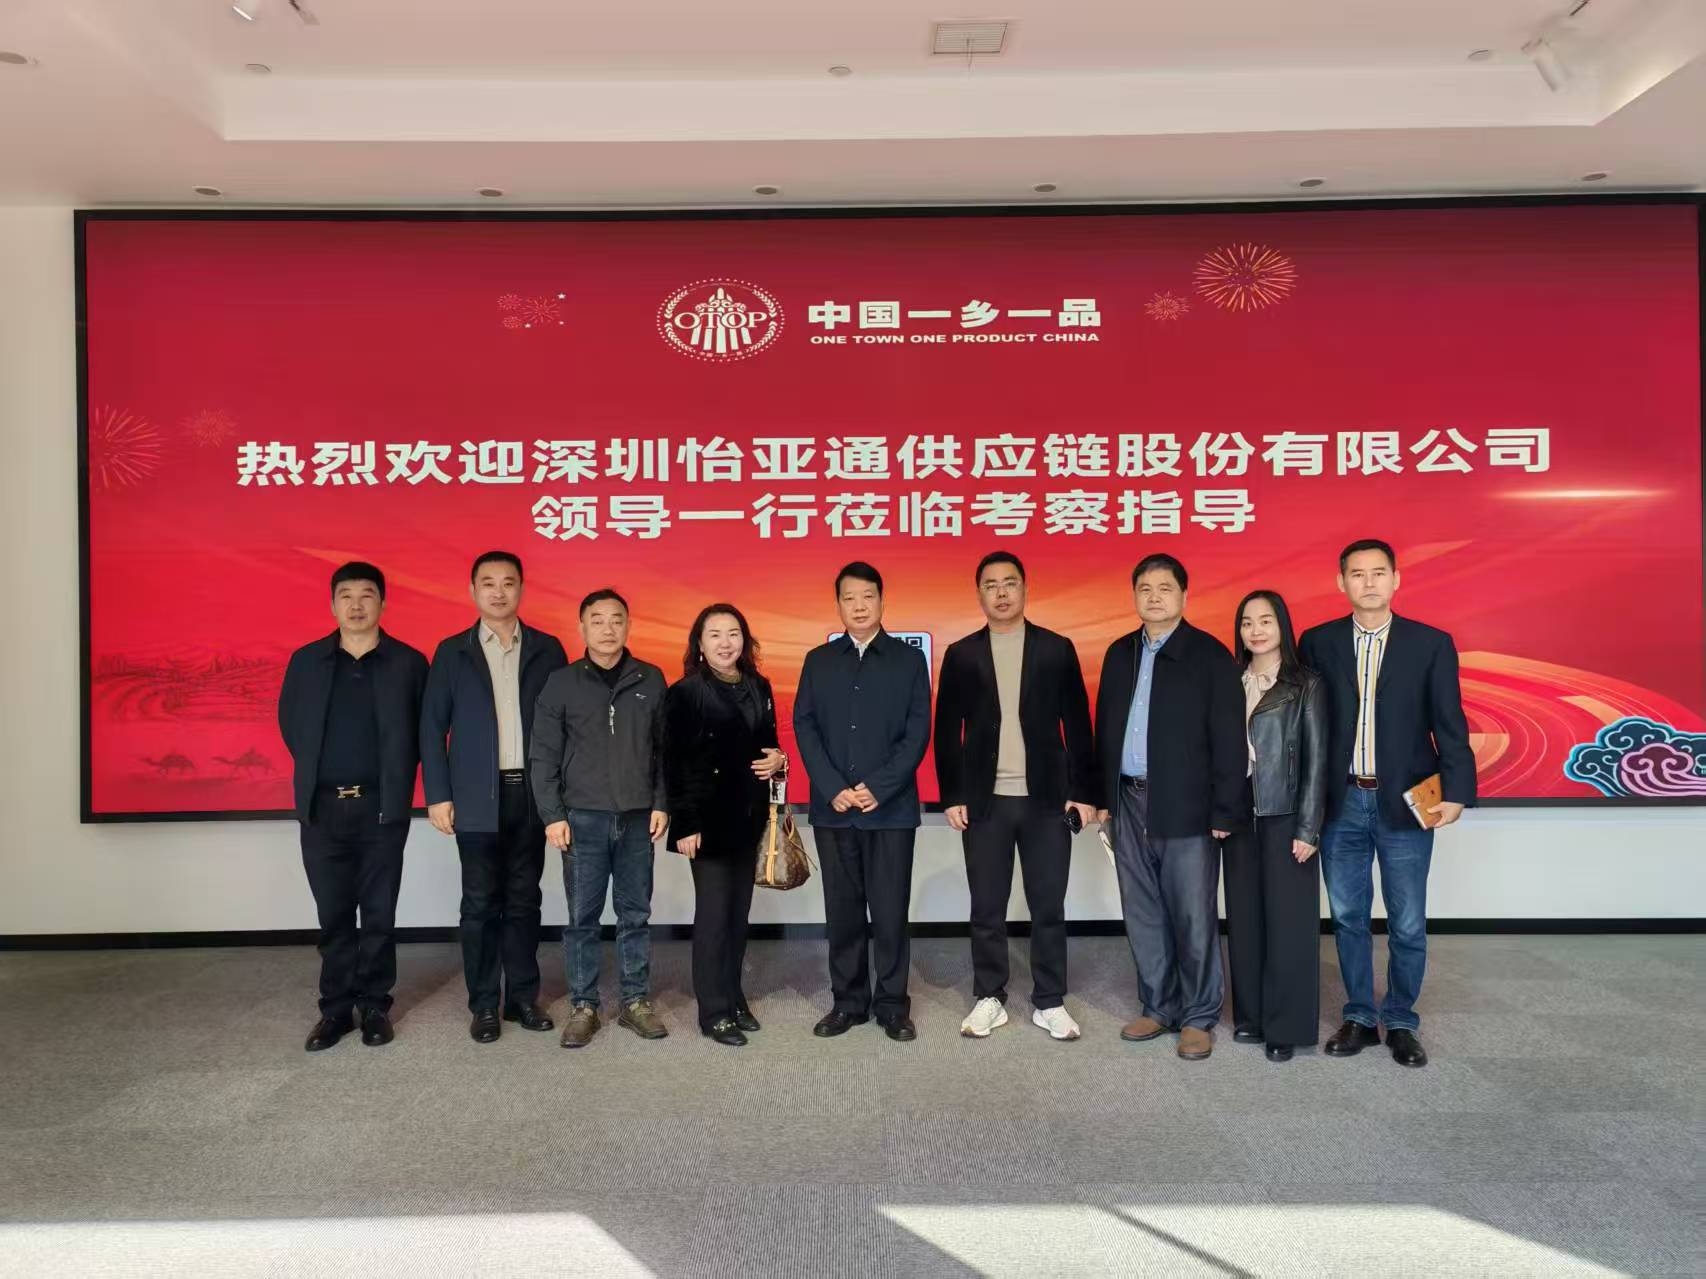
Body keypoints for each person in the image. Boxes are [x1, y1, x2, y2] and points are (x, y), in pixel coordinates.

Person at [1299, 539, 1475, 1069]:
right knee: (1348, 916)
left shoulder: (1430, 643)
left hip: (1406, 801)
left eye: (1379, 572)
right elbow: (1306, 726)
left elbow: (1449, 722)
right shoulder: (1318, 642)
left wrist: (1457, 791)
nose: (1369, 582)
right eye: (1357, 573)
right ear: (1341, 583)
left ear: (1396, 579)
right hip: (1341, 802)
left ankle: (1400, 1020)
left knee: (1408, 921)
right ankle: (1358, 1015)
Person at [934, 551, 1098, 1041]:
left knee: (1048, 905)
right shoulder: (962, 654)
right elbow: (947, 731)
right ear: (979, 594)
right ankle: (990, 996)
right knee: (987, 906)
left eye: (1010, 583)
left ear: (1026, 589)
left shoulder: (1056, 649)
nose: (1001, 592)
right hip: (986, 801)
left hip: (1047, 801)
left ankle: (1050, 1000)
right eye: (991, 585)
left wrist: (1082, 792)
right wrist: (952, 795)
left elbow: (1078, 725)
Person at [1094, 553, 1245, 1061]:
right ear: (1134, 596)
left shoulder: (1209, 655)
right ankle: (1158, 1006)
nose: (1154, 597)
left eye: (1164, 588)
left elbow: (1229, 740)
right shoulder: (1120, 653)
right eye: (1145, 589)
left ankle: (1199, 1015)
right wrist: (1103, 799)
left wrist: (1225, 810)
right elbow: (1104, 730)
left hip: (1187, 806)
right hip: (1128, 801)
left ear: (1183, 594)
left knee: (1192, 914)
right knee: (1143, 911)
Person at [278, 562, 428, 1052]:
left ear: (383, 603)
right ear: (333, 604)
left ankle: (376, 1006)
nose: (357, 605)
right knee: (334, 915)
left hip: (382, 808)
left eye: (367, 595)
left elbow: (424, 732)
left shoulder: (408, 663)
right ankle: (335, 1010)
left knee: (379, 914)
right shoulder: (307, 661)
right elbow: (290, 725)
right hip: (322, 809)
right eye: (347, 595)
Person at [421, 551, 568, 1044]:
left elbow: (563, 727)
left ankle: (523, 998)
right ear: (473, 591)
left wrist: (558, 796)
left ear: (521, 589)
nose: (498, 592)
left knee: (525, 899)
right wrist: (438, 794)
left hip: (530, 794)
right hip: (475, 797)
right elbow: (431, 729)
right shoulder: (452, 652)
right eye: (488, 583)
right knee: (480, 902)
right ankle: (484, 1003)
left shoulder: (547, 649)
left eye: (508, 583)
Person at [793, 561, 932, 1042]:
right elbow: (805, 726)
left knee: (891, 912)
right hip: (834, 810)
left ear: (882, 601)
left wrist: (880, 786)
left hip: (889, 811)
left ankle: (892, 1005)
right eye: (849, 598)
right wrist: (832, 786)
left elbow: (917, 731)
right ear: (838, 604)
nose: (858, 606)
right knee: (843, 912)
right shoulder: (819, 660)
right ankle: (848, 1002)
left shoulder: (908, 660)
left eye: (867, 596)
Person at [529, 589, 669, 1048]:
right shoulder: (561, 682)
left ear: (628, 625)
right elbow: (543, 755)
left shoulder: (650, 678)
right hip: (581, 820)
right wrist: (552, 815)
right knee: (582, 918)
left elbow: (664, 751)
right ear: (582, 627)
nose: (608, 629)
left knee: (635, 914)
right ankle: (584, 1005)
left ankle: (635, 1001)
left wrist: (661, 802)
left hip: (637, 819)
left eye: (616, 620)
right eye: (597, 620)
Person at [660, 604, 787, 1046]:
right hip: (706, 822)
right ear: (699, 643)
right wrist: (685, 824)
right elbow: (674, 763)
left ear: (744, 640)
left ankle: (734, 998)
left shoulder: (758, 685)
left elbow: (768, 744)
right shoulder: (686, 692)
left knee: (737, 916)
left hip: (748, 817)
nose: (725, 642)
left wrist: (779, 758)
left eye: (733, 633)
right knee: (714, 918)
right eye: (714, 634)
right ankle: (713, 1011)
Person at [1224, 590, 1328, 1063]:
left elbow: (1316, 759)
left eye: (1266, 620)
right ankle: (1250, 1016)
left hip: (1286, 814)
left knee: (1288, 925)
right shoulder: (1228, 680)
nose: (1256, 630)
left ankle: (1285, 1026)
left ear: (1282, 625)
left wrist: (1308, 827)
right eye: (1247, 622)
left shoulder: (1305, 683)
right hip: (1238, 815)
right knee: (1244, 919)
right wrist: (1220, 811)